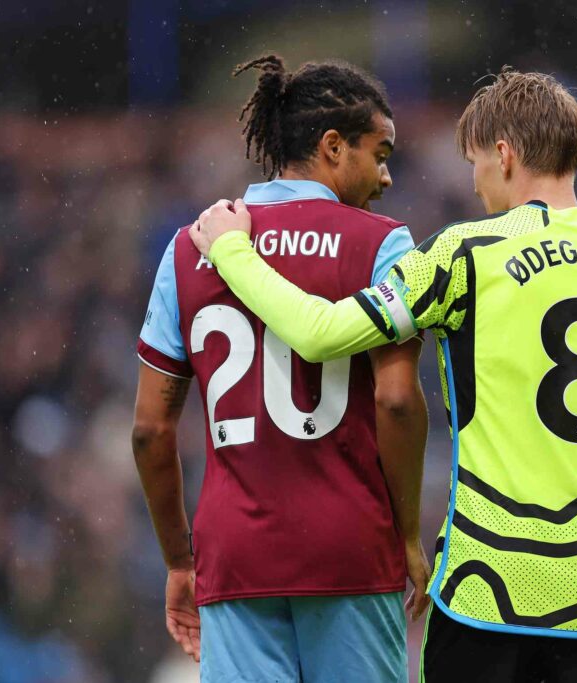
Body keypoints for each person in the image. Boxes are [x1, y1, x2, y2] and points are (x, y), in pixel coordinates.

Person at [189, 68, 577, 683]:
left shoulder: (462, 256)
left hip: (486, 599)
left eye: (476, 165)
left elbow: (320, 332)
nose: (476, 184)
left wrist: (231, 250)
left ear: (505, 153)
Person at [131, 53, 429, 683]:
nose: (386, 177)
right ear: (331, 147)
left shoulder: (191, 247)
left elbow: (150, 432)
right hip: (351, 545)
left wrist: (180, 562)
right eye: (380, 154)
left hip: (236, 555)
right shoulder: (383, 244)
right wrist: (407, 537)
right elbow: (397, 402)